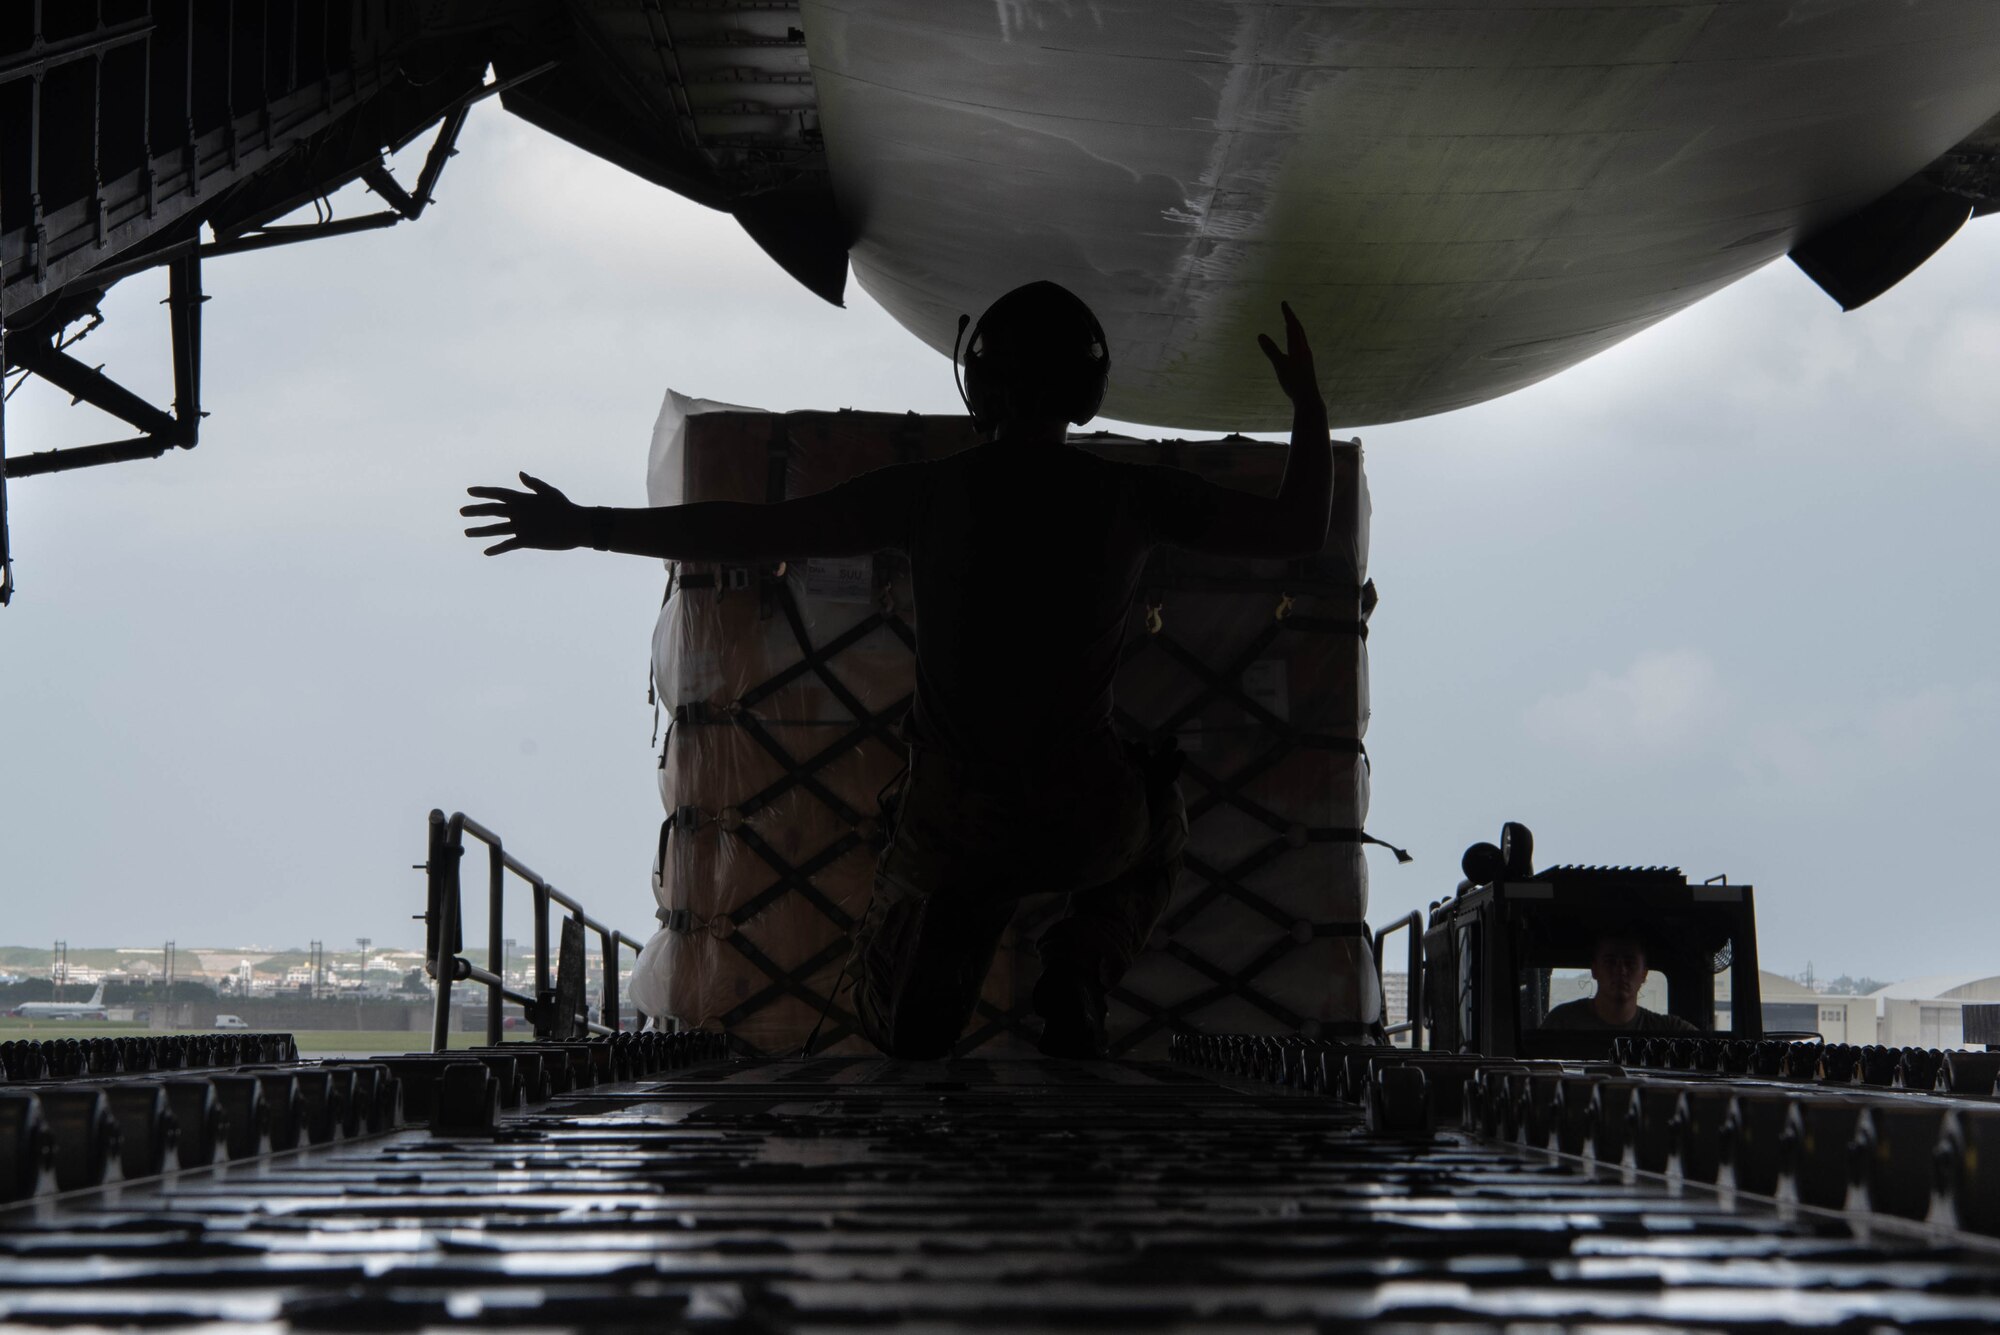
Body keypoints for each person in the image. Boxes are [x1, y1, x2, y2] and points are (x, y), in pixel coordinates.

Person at [461, 281, 1332, 1058]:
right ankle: (1078, 975)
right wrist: (1307, 401)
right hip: (1086, 815)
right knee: (1161, 811)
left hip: (959, 827)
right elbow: (1299, 527)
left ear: (978, 385)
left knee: (908, 1036)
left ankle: (955, 980)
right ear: (1087, 390)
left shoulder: (929, 494)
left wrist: (586, 524)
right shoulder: (1134, 498)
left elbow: (746, 531)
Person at [1541, 926, 1699, 1033]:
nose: (1620, 970)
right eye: (1610, 962)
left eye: (1630, 963)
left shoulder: (1670, 1030)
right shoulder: (1561, 1022)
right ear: (1594, 970)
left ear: (1644, 974)